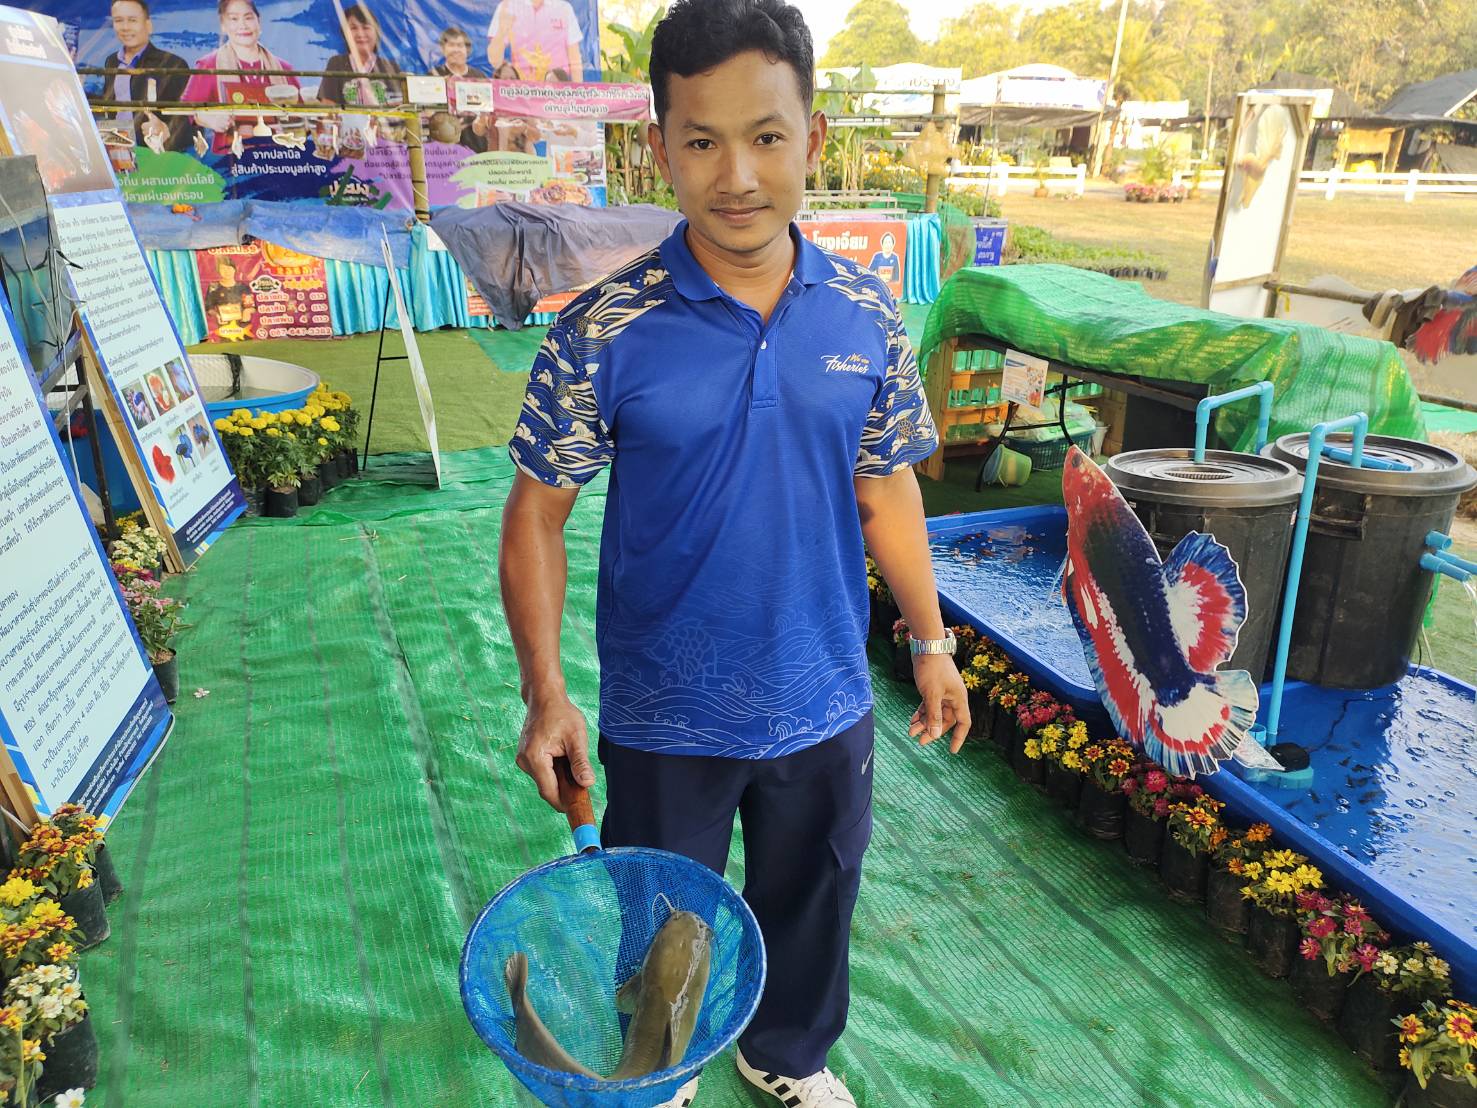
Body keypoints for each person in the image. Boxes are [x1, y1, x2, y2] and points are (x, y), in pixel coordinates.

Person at [500, 1, 966, 1105]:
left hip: (824, 692)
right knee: (665, 917)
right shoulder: (603, 329)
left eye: (766, 137)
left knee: (814, 895)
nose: (737, 175)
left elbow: (885, 486)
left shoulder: (864, 315)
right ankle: (663, 1067)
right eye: (701, 140)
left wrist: (931, 640)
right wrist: (545, 692)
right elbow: (535, 515)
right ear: (659, 146)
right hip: (665, 710)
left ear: (813, 139)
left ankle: (785, 1054)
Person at [180, 0, 301, 154]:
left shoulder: (283, 69)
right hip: (230, 159)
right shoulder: (208, 65)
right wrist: (206, 118)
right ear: (223, 25)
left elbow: (303, 116)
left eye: (248, 18)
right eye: (234, 19)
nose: (243, 25)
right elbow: (185, 111)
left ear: (259, 22)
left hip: (279, 156)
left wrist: (290, 126)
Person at [95, 0, 190, 151]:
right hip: (116, 149)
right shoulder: (111, 62)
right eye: (118, 20)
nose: (125, 27)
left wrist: (166, 130)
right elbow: (110, 106)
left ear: (148, 25)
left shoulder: (172, 65)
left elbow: (191, 121)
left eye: (132, 20)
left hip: (155, 154)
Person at [317, 4, 403, 108]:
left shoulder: (391, 67)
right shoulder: (336, 63)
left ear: (377, 33)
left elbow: (399, 107)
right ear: (345, 34)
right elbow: (328, 107)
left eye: (366, 27)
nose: (360, 34)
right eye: (353, 28)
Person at [486, 0, 584, 82]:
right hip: (519, 90)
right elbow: (494, 61)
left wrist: (578, 94)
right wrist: (502, 30)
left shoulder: (564, 8)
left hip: (556, 90)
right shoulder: (508, 6)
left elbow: (575, 60)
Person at [433, 27, 488, 150]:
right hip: (444, 148)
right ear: (443, 48)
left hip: (477, 147)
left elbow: (487, 112)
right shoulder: (434, 76)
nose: (456, 49)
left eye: (460, 45)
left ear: (467, 50)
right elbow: (427, 114)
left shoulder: (479, 77)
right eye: (451, 45)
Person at [204, 258, 255, 340]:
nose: (226, 271)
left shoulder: (243, 287)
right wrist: (216, 315)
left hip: (243, 327)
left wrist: (247, 311)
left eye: (229, 268)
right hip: (224, 328)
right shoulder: (214, 287)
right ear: (218, 271)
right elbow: (209, 308)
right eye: (223, 269)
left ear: (234, 269)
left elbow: (252, 307)